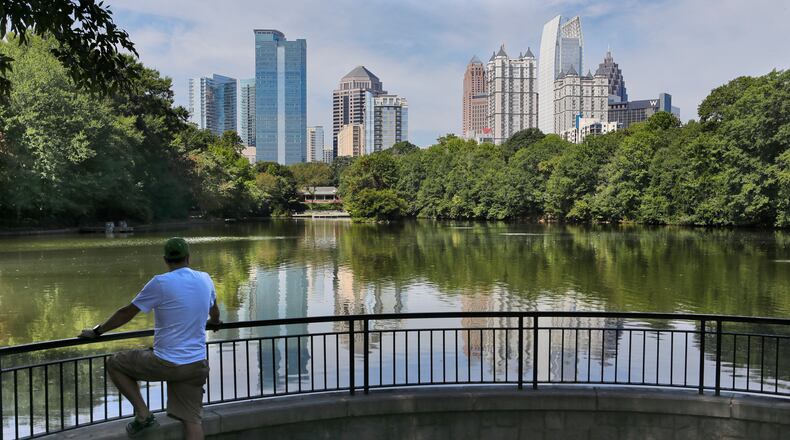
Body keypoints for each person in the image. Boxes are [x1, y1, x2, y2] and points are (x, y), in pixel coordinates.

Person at [79, 237, 221, 439]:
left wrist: (97, 331)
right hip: (196, 364)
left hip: (167, 362)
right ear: (188, 257)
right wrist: (214, 323)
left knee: (115, 363)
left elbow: (127, 313)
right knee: (192, 420)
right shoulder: (205, 278)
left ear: (165, 260)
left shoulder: (161, 283)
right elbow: (214, 311)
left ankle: (144, 415)